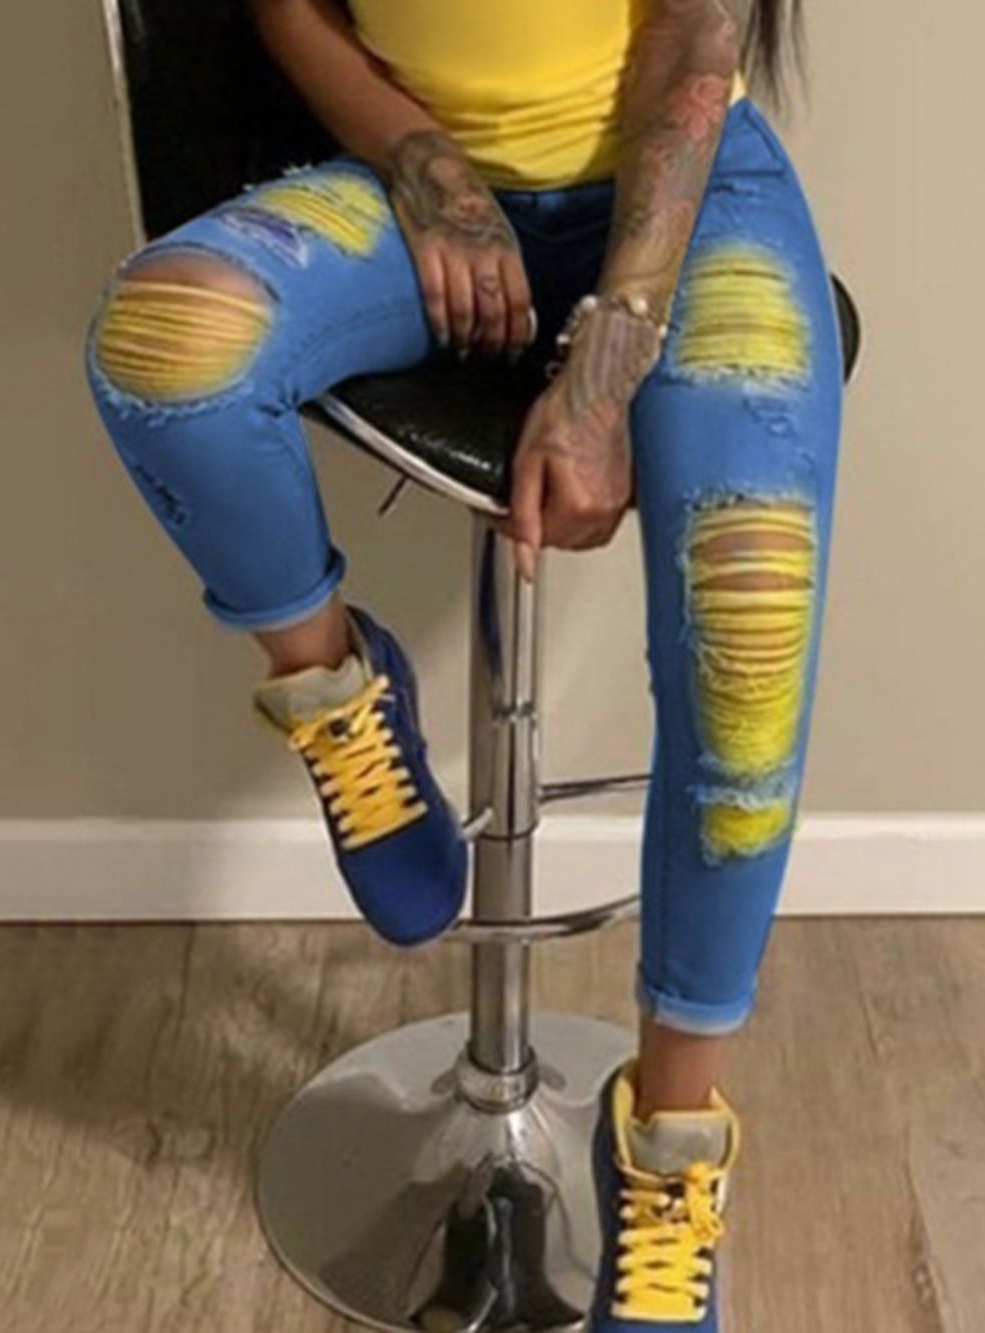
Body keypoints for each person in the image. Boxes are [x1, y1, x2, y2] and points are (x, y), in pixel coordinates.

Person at [83, 0, 842, 1326]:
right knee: (162, 353)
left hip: (693, 200)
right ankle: (339, 694)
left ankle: (666, 1159)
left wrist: (609, 360)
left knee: (751, 613)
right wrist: (423, 164)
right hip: (425, 183)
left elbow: (696, 38)